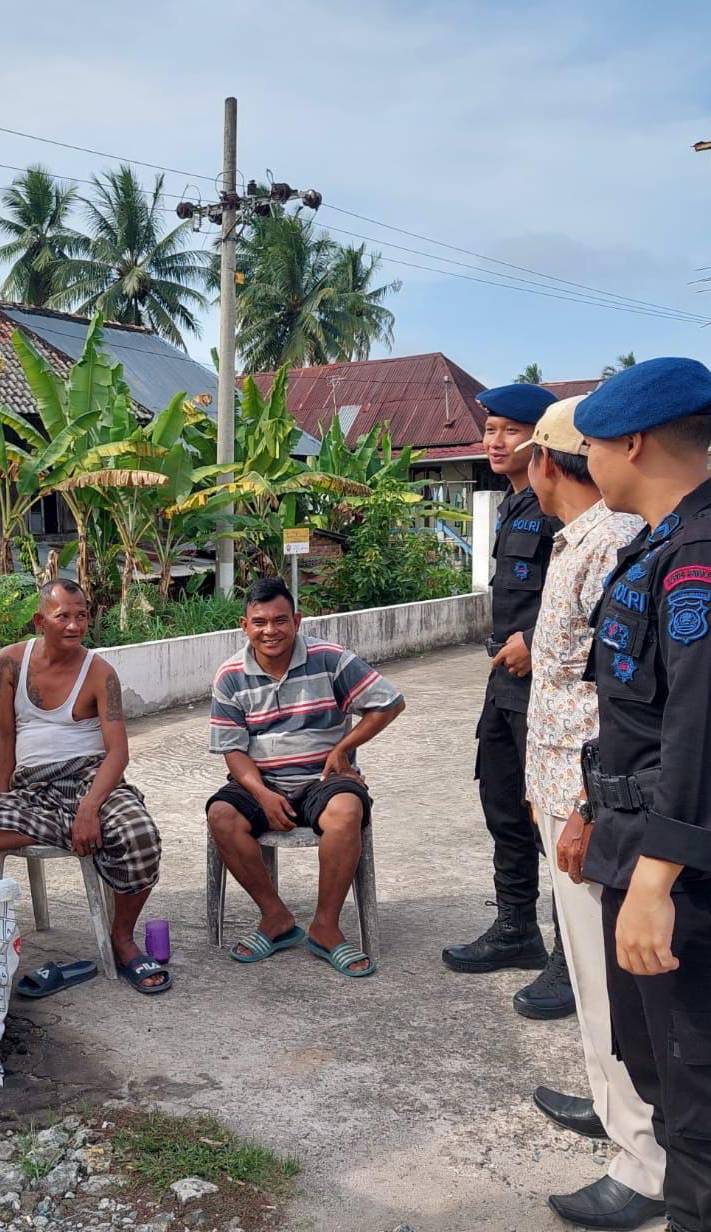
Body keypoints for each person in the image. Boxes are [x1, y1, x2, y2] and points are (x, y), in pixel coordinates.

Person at [516, 398, 663, 1230]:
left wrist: (580, 806)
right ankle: (615, 1111)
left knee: (611, 986)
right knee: (588, 973)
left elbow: (620, 698)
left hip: (595, 802)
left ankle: (642, 1160)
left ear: (548, 462)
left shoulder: (609, 543)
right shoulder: (583, 541)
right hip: (568, 791)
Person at [573, 357, 711, 1232]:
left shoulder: (698, 554)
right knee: (657, 1064)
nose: (585, 460)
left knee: (697, 1098)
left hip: (682, 873)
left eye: (588, 445)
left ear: (631, 442)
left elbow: (701, 729)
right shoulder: (659, 541)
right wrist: (596, 813)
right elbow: (638, 710)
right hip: (635, 837)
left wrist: (657, 877)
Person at [0, 579, 169, 995]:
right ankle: (68, 832)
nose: (75, 625)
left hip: (90, 781)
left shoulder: (101, 673)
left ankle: (122, 938)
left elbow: (118, 753)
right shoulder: (9, 662)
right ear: (40, 620)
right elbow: (4, 737)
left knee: (141, 835)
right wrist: (5, 798)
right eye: (63, 616)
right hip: (33, 793)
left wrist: (89, 808)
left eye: (81, 615)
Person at [442, 381, 575, 1020]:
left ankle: (572, 959)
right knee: (503, 804)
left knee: (553, 822)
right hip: (504, 687)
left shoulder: (559, 507)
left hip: (546, 688)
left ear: (541, 438)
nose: (495, 441)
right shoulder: (514, 506)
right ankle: (517, 927)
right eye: (490, 429)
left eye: (510, 430)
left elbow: (580, 599)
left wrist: (537, 642)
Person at [205, 577, 404, 976]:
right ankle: (275, 917)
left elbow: (388, 702)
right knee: (221, 817)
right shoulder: (229, 675)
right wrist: (260, 793)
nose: (270, 631)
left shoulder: (329, 658)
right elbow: (233, 749)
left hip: (323, 777)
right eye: (259, 622)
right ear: (244, 626)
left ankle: (325, 927)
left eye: (280, 620)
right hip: (263, 779)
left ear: (297, 620)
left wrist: (342, 747)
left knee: (347, 811)